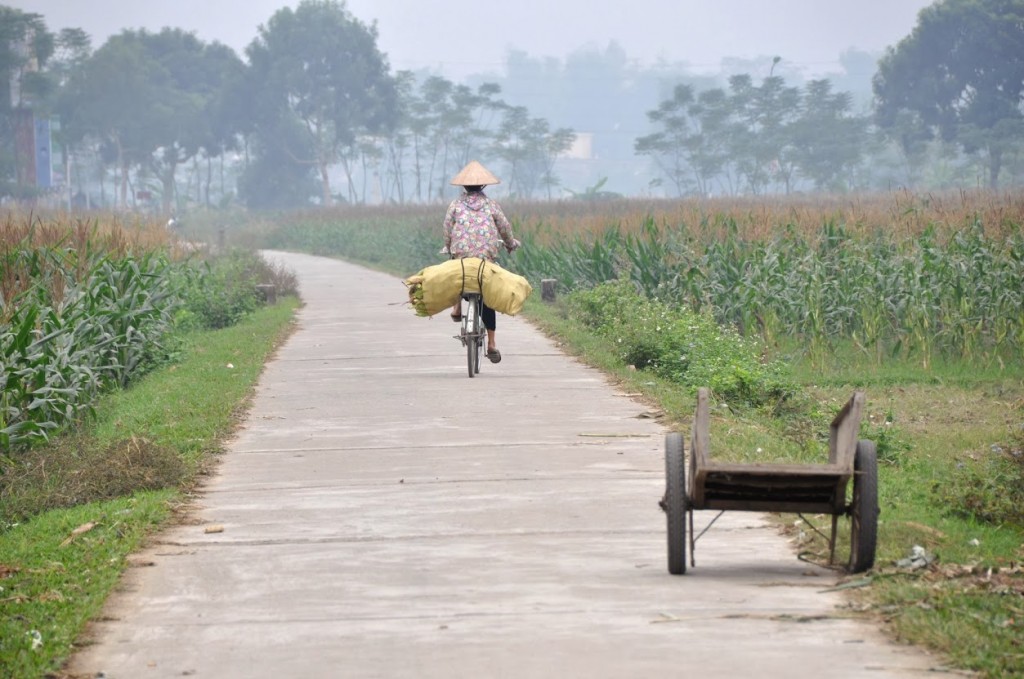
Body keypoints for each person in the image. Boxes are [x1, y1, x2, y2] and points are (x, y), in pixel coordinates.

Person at [442, 160, 520, 364]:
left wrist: (448, 245)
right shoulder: (491, 205)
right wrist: (510, 244)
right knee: (487, 296)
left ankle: (457, 307)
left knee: (456, 271)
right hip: (486, 257)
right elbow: (505, 227)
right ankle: (492, 344)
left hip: (461, 255)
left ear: (463, 186)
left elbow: (447, 228)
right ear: (483, 186)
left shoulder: (456, 205)